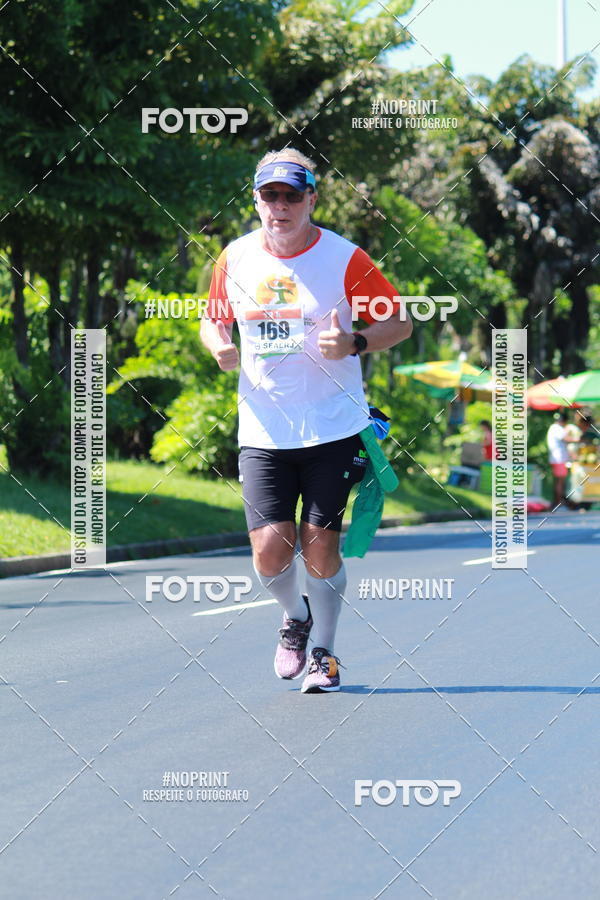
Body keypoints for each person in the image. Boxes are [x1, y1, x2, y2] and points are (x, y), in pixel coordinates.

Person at [200, 148, 412, 693]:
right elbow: (212, 321)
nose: (281, 205)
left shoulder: (346, 259)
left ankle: (325, 653)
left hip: (334, 428)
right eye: (271, 195)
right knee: (270, 553)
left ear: (312, 199)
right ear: (256, 200)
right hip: (263, 432)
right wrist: (219, 345)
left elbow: (401, 323)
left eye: (293, 194)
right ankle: (295, 616)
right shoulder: (236, 258)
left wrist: (356, 341)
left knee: (321, 545)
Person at [546, 412, 572, 509]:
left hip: (557, 458)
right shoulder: (557, 428)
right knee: (560, 481)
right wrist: (580, 439)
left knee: (559, 481)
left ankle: (558, 502)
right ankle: (559, 503)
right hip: (559, 458)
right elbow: (566, 439)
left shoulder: (554, 427)